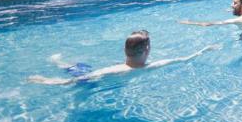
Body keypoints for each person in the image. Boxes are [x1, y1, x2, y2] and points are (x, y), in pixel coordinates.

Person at [28, 30, 218, 85]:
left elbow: (183, 59)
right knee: (76, 71)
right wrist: (45, 80)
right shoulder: (118, 70)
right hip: (88, 81)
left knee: (78, 67)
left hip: (93, 75)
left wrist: (204, 50)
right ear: (147, 51)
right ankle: (57, 61)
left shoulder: (146, 66)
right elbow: (70, 82)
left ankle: (58, 61)